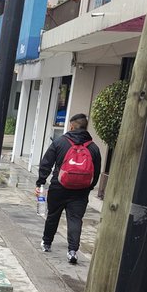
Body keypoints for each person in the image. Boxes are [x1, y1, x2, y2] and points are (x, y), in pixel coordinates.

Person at [37, 111, 102, 265]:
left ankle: (47, 243)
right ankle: (72, 251)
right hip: (81, 191)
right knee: (75, 219)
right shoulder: (93, 148)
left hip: (59, 187)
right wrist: (89, 187)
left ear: (72, 126)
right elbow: (96, 171)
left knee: (53, 215)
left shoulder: (60, 142)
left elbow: (46, 163)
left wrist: (40, 182)